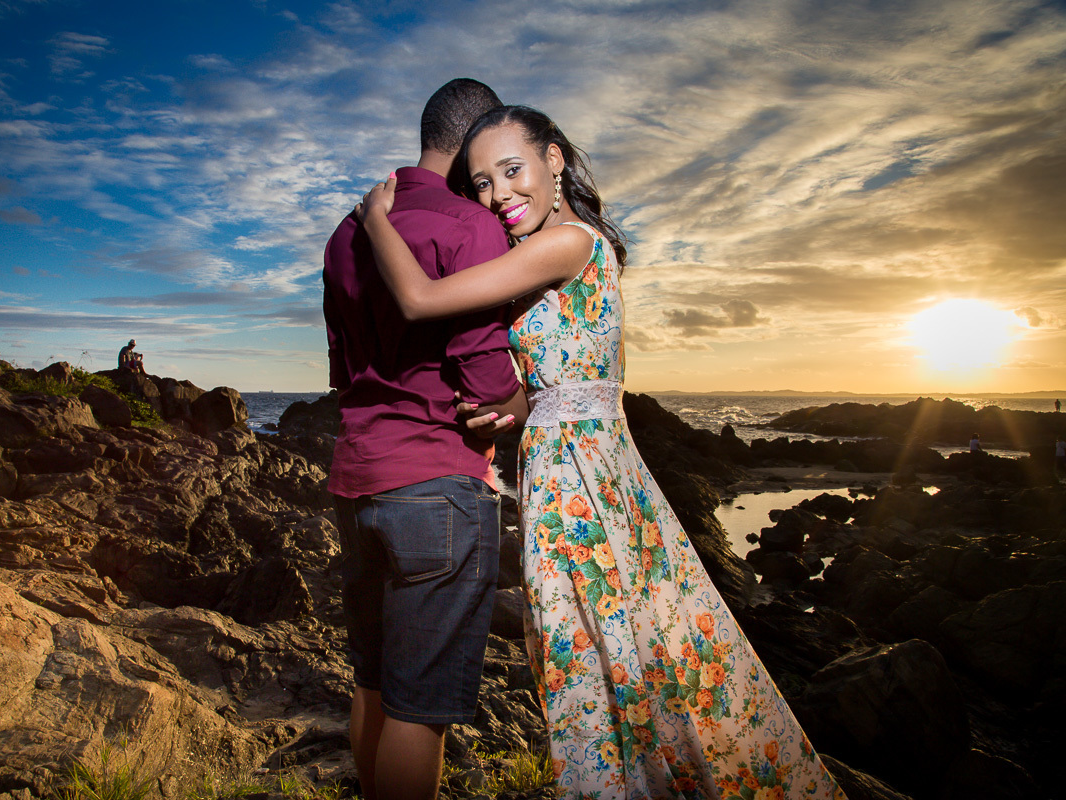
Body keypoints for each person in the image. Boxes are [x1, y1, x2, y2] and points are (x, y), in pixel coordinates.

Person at [358, 105, 845, 799]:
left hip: (584, 492)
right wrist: (514, 410)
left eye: (512, 170)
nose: (498, 195)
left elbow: (419, 300)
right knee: (610, 663)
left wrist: (376, 218)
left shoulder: (570, 243)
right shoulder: (559, 251)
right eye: (481, 182)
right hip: (580, 481)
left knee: (609, 661)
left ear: (555, 161)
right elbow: (589, 380)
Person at [322, 79, 527, 800]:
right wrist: (522, 393)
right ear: (476, 142)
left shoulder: (348, 232)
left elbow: (343, 369)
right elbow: (486, 378)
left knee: (373, 684)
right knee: (421, 709)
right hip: (438, 485)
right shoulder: (470, 226)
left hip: (357, 481)